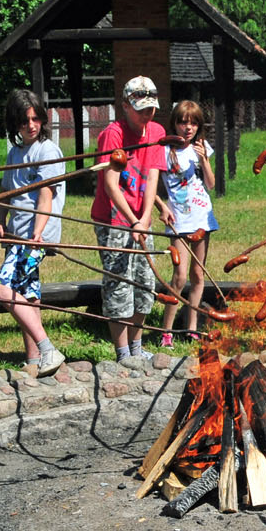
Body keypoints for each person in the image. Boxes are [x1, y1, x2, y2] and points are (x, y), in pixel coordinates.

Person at [92, 76, 168, 368]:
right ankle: (123, 353)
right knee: (119, 284)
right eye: (141, 109)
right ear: (125, 106)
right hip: (113, 219)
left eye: (151, 108)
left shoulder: (157, 132)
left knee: (145, 283)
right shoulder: (113, 134)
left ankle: (137, 347)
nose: (147, 114)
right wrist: (133, 220)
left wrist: (145, 218)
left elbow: (152, 178)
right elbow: (111, 184)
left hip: (140, 219)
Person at [0, 89, 66, 377]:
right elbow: (5, 191)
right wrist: (1, 220)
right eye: (24, 121)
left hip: (34, 237)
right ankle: (35, 361)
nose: (31, 125)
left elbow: (46, 195)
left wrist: (37, 233)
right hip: (17, 234)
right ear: (15, 124)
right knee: (26, 294)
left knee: (2, 288)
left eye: (36, 119)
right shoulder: (15, 152)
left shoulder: (47, 151)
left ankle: (48, 349)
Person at [158, 100, 218, 346]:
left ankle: (191, 327)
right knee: (180, 276)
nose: (188, 127)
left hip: (202, 216)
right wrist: (161, 206)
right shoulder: (164, 151)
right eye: (183, 122)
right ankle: (167, 331)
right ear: (174, 123)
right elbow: (149, 185)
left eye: (193, 123)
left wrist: (204, 161)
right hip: (179, 220)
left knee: (198, 274)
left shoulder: (201, 147)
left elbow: (211, 184)